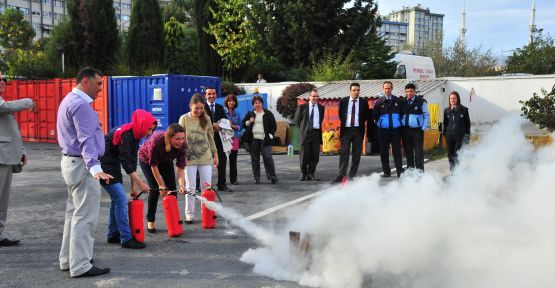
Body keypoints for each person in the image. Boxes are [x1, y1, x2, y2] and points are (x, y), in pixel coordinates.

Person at [57, 67, 112, 277]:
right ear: (86, 81)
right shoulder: (81, 105)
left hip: (71, 163)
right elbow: (86, 138)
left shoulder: (69, 100)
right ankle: (81, 265)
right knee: (85, 217)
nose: (101, 88)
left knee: (73, 215)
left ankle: (68, 260)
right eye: (98, 83)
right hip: (82, 165)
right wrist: (94, 167)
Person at [99, 109, 157, 249]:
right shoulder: (125, 134)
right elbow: (126, 163)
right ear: (141, 124)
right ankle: (126, 238)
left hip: (114, 165)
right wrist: (141, 183)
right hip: (104, 166)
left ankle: (113, 234)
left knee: (117, 200)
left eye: (152, 130)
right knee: (121, 200)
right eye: (148, 129)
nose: (149, 133)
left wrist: (133, 187)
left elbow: (131, 160)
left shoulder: (135, 134)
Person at [0, 72, 35, 247]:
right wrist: (27, 102)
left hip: (6, 156)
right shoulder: (3, 103)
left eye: (3, 79)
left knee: (3, 199)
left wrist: (21, 150)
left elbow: (10, 128)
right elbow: (5, 107)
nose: (2, 82)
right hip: (1, 157)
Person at [138, 124, 187, 232]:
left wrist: (182, 185)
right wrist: (160, 185)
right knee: (155, 189)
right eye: (177, 139)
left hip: (166, 160)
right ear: (169, 137)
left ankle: (174, 222)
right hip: (147, 161)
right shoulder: (157, 141)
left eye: (183, 138)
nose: (181, 141)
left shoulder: (182, 145)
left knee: (172, 190)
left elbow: (180, 167)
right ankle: (150, 221)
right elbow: (154, 165)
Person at [179, 94, 219, 224]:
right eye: (196, 108)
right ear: (191, 106)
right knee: (190, 188)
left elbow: (211, 137)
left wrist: (215, 154)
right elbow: (180, 139)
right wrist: (182, 156)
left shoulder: (207, 118)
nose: (199, 111)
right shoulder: (184, 119)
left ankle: (207, 213)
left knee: (206, 187)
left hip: (205, 157)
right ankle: (189, 215)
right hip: (189, 158)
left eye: (202, 108)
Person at [332, 83, 369, 183]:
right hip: (346, 131)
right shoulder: (343, 101)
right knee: (344, 153)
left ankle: (352, 175)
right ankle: (341, 175)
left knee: (356, 154)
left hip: (358, 130)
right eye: (354, 90)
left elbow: (365, 116)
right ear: (350, 91)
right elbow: (341, 115)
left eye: (358, 90)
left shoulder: (364, 102)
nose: (356, 92)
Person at [242, 96, 279, 184]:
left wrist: (270, 135)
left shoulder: (268, 113)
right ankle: (256, 178)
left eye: (259, 103)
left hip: (265, 139)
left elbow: (273, 125)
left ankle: (272, 176)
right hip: (253, 140)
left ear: (262, 103)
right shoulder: (250, 113)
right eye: (255, 103)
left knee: (268, 157)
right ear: (253, 104)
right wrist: (249, 122)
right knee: (255, 159)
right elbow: (244, 124)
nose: (257, 104)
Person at [373, 81, 404, 178]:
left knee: (397, 151)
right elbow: (375, 116)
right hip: (383, 131)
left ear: (392, 88)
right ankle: (386, 172)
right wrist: (381, 124)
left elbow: (402, 114)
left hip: (395, 130)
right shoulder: (379, 102)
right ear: (383, 89)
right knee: (383, 151)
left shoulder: (398, 101)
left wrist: (398, 123)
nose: (387, 90)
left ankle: (400, 172)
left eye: (389, 88)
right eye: (385, 88)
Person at [293, 89, 325, 181]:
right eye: (313, 96)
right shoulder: (302, 107)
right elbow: (296, 121)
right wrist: (304, 129)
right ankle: (303, 173)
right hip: (305, 134)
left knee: (315, 155)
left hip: (316, 134)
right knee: (304, 155)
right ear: (309, 97)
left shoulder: (321, 108)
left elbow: (320, 120)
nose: (315, 98)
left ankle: (311, 173)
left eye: (317, 96)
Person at [203, 87, 231, 192]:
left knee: (222, 162)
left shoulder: (220, 107)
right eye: (209, 94)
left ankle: (222, 184)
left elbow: (225, 120)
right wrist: (212, 125)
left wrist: (221, 124)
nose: (211, 96)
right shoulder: (201, 107)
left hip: (219, 140)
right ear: (205, 95)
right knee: (203, 163)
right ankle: (200, 186)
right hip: (205, 140)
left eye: (213, 93)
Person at [401, 83, 430, 171]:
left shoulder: (421, 101)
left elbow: (427, 116)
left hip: (417, 130)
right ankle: (410, 169)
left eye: (411, 91)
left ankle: (420, 170)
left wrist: (422, 128)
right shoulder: (402, 102)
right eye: (407, 91)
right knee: (408, 151)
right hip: (405, 130)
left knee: (418, 152)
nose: (409, 93)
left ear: (414, 91)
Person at [443, 91, 471, 171]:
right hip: (449, 136)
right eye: (451, 98)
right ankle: (452, 172)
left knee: (457, 155)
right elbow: (445, 123)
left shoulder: (464, 110)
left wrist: (467, 136)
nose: (452, 100)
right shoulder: (446, 110)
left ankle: (457, 173)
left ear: (457, 99)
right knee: (450, 155)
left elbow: (468, 125)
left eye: (454, 98)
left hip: (460, 136)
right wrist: (445, 134)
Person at [223, 93, 243, 185]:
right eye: (230, 101)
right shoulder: (223, 112)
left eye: (233, 101)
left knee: (233, 161)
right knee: (222, 161)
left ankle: (233, 180)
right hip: (224, 140)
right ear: (227, 102)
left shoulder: (237, 113)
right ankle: (222, 181)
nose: (231, 103)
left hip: (234, 139)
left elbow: (240, 126)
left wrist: (233, 126)